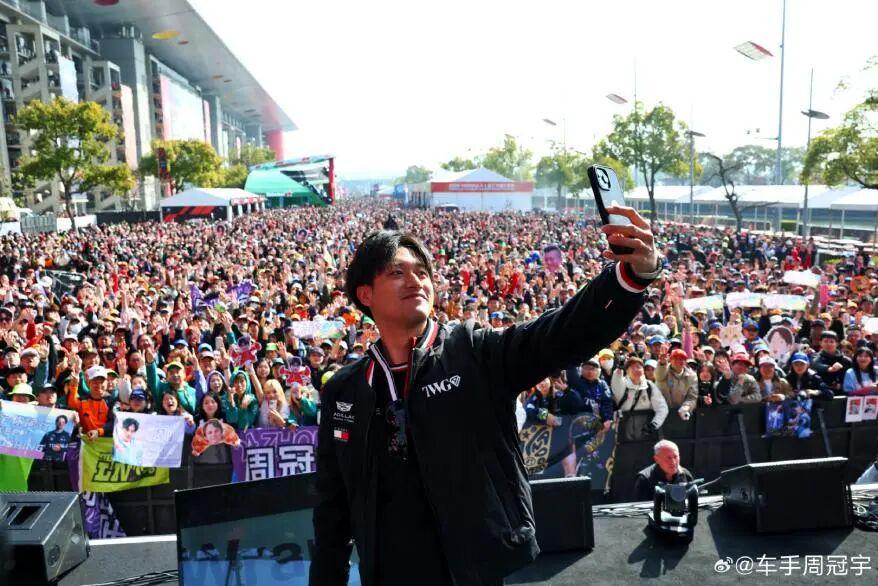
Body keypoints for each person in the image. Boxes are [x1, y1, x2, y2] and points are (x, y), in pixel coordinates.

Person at [311, 209, 660, 586]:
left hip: (471, 571)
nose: (416, 281)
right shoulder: (345, 391)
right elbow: (333, 506)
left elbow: (562, 334)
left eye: (422, 272)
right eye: (397, 272)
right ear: (365, 294)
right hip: (390, 574)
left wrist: (628, 278)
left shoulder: (474, 352)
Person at [655, 347, 698, 420]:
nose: (678, 361)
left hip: (681, 414)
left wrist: (687, 406)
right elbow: (659, 376)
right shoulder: (664, 370)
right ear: (670, 360)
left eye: (681, 359)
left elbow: (692, 397)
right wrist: (662, 363)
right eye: (675, 358)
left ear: (685, 362)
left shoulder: (692, 376)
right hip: (663, 413)